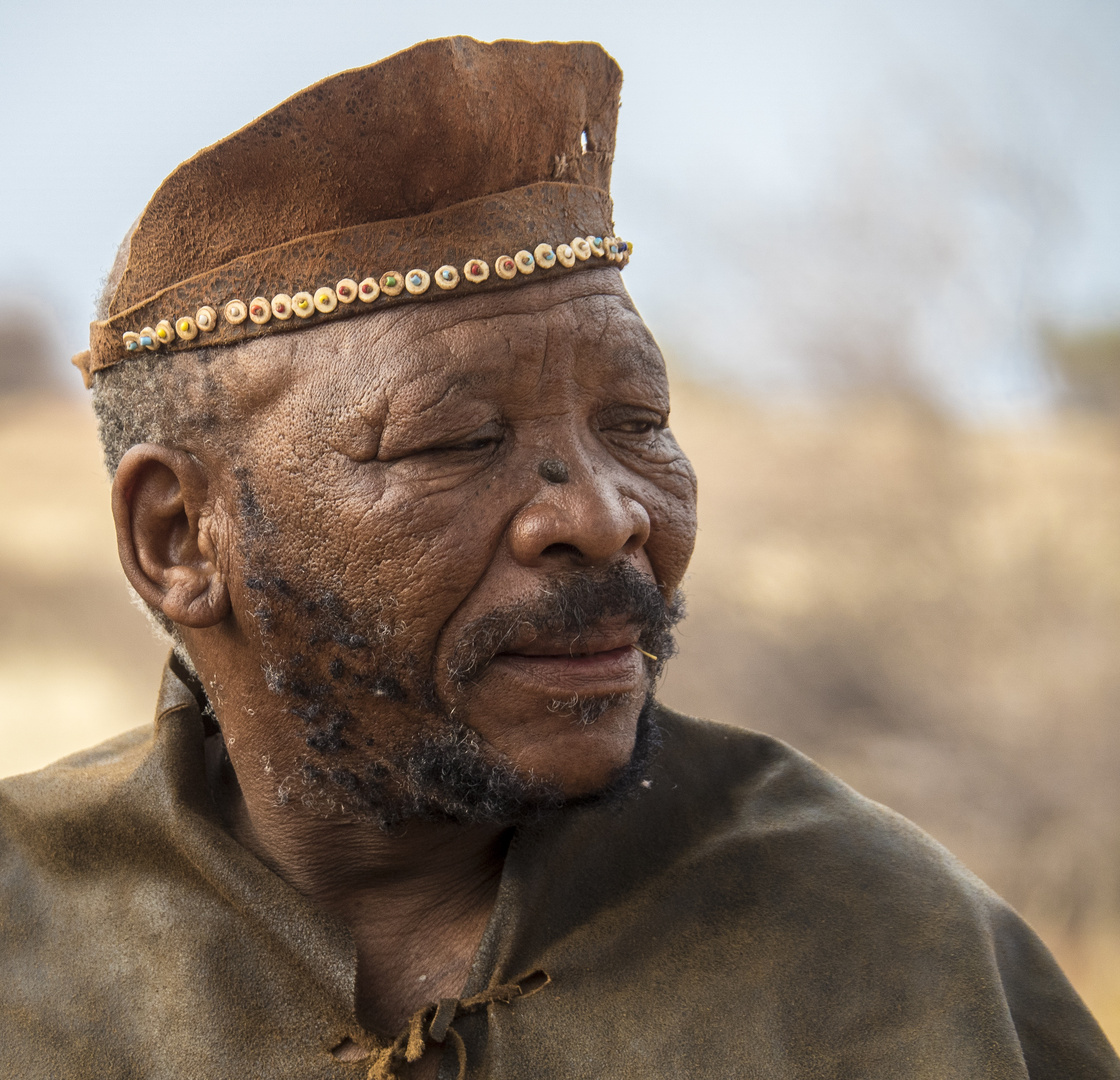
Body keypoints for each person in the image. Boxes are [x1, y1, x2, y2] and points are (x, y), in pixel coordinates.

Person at [1, 36, 1116, 1080]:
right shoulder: (27, 935)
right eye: (457, 440)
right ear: (178, 539)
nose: (604, 514)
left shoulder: (882, 940)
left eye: (636, 423)